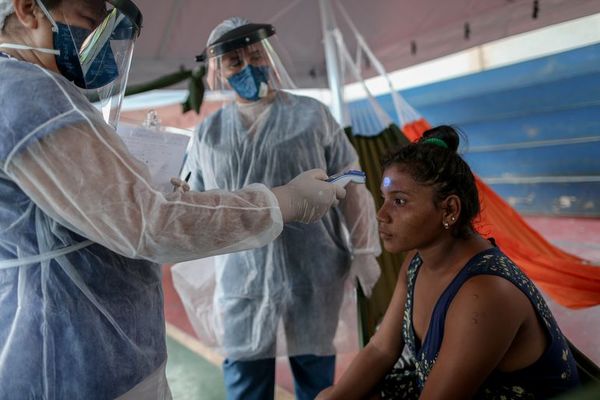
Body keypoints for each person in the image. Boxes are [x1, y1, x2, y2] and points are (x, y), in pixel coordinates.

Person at [0, 1, 346, 399]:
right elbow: (150, 223)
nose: (101, 44)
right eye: (90, 23)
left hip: (89, 345)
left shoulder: (34, 90)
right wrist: (282, 201)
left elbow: (90, 210)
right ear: (28, 10)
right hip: (74, 356)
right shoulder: (29, 95)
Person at [180, 17, 381, 400]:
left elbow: (352, 180)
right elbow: (196, 205)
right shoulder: (209, 134)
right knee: (246, 384)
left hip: (314, 273)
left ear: (269, 56)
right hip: (241, 282)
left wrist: (364, 249)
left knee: (318, 384)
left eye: (255, 55)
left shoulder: (312, 115)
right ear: (218, 71)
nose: (248, 67)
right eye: (235, 63)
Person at [317, 125, 581, 399]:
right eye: (384, 199)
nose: (382, 215)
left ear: (450, 209)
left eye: (399, 201)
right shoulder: (417, 263)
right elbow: (381, 349)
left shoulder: (485, 294)